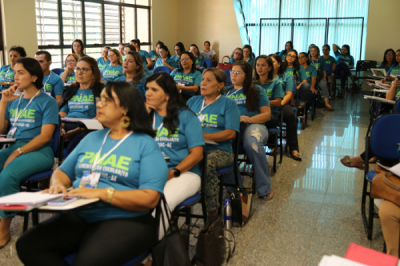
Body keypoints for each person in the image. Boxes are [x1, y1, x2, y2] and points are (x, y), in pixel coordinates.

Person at [16, 81, 168, 266]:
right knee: (28, 245)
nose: (98, 104)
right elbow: (62, 172)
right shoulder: (91, 138)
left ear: (125, 108)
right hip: (82, 214)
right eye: (99, 99)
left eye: (106, 100)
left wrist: (102, 193)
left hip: (127, 219)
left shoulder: (145, 144)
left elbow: (150, 198)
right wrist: (57, 184)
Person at [0, 57, 59, 249]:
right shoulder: (14, 101)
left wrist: (18, 152)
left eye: (21, 72)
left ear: (34, 77)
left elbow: (45, 136)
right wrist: (3, 103)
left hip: (39, 150)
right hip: (14, 146)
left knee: (8, 175)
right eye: (15, 72)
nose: (15, 77)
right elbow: (2, 129)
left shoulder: (47, 101)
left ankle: (4, 228)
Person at [145, 72, 204, 224]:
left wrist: (173, 172)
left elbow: (197, 154)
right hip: (150, 173)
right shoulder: (145, 116)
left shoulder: (186, 117)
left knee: (158, 202)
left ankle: (152, 245)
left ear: (167, 94)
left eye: (154, 90)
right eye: (147, 89)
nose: (148, 93)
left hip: (182, 173)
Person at [186, 68, 240, 222]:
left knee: (207, 160)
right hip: (194, 149)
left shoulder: (228, 104)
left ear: (220, 85)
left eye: (209, 80)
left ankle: (212, 213)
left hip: (220, 151)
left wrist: (203, 136)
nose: (203, 83)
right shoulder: (192, 101)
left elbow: (231, 133)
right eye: (202, 79)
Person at [224, 61, 274, 201]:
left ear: (246, 76)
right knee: (222, 147)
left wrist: (248, 119)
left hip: (253, 125)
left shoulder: (256, 90)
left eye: (238, 72)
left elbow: (266, 115)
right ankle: (236, 188)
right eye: (232, 71)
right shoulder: (225, 92)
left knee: (252, 144)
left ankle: (265, 187)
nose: (233, 75)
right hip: (232, 127)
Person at [59, 56, 104, 154]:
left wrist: (75, 131)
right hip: (66, 125)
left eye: (84, 69)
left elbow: (98, 117)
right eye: (78, 69)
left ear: (93, 73)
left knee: (75, 144)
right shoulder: (71, 90)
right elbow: (62, 113)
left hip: (87, 128)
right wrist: (61, 128)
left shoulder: (99, 91)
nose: (79, 72)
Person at [270, 54, 301, 161]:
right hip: (267, 104)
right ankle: (273, 145)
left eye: (273, 61)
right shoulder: (264, 75)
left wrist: (280, 103)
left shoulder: (286, 76)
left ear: (279, 64)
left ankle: (294, 148)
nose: (270, 63)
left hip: (283, 102)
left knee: (291, 116)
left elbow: (288, 93)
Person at [253, 55, 284, 129]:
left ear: (269, 68)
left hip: (271, 114)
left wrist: (261, 104)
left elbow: (277, 102)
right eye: (257, 65)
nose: (259, 68)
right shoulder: (252, 83)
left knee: (256, 121)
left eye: (263, 65)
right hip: (255, 112)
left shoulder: (276, 83)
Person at [309, 46, 334, 111]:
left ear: (318, 52)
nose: (313, 52)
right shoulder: (308, 60)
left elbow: (324, 71)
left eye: (314, 50)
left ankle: (326, 103)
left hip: (319, 77)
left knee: (323, 84)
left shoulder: (321, 61)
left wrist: (324, 77)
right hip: (310, 78)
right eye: (311, 51)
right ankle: (319, 102)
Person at [297, 52, 316, 118]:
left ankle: (303, 110)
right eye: (299, 57)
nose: (300, 58)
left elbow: (314, 78)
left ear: (307, 58)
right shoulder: (297, 67)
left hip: (309, 87)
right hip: (298, 87)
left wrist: (312, 87)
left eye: (302, 57)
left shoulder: (312, 67)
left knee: (311, 94)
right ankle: (300, 110)